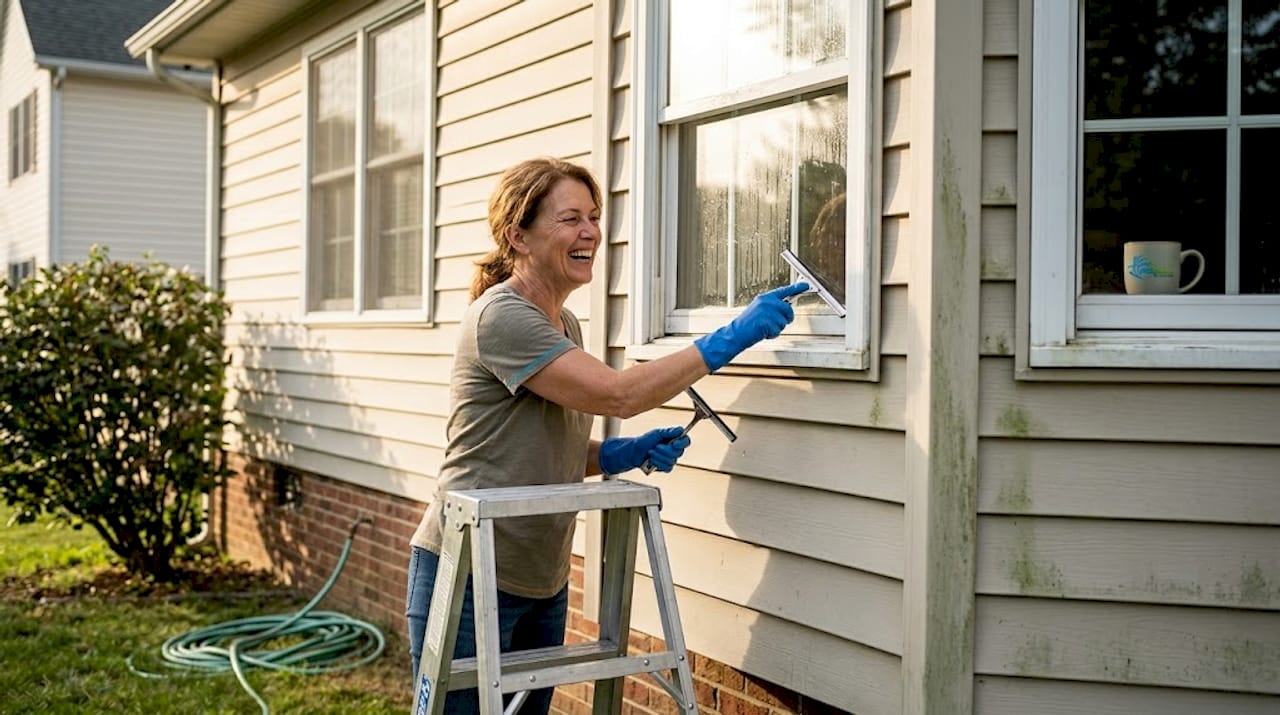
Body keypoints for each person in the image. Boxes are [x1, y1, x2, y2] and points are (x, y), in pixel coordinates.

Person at [405, 157, 807, 714]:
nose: (591, 231)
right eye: (570, 218)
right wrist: (731, 336)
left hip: (539, 578)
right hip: (473, 575)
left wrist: (619, 452)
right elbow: (618, 394)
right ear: (517, 235)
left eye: (593, 217)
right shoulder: (501, 317)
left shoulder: (562, 324)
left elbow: (542, 450)